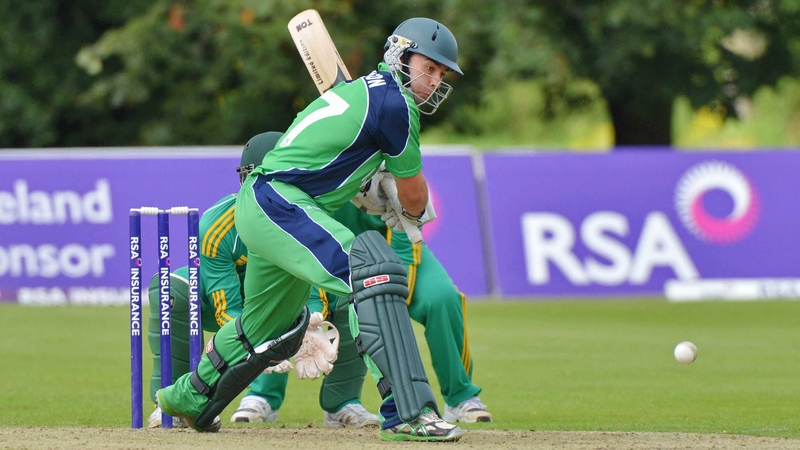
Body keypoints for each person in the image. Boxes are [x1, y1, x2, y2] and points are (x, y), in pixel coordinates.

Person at [156, 17, 466, 442]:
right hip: (281, 203)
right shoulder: (396, 105)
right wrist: (399, 198)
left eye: (441, 74)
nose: (433, 81)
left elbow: (329, 164)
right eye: (428, 67)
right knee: (372, 273)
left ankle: (186, 398)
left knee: (263, 327)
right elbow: (414, 200)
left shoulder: (361, 93)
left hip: (266, 205)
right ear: (399, 54)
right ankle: (408, 412)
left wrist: (368, 183)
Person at [145, 132, 379, 429]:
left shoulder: (309, 215)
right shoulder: (218, 225)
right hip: (224, 304)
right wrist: (256, 347)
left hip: (282, 301)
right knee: (170, 290)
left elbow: (315, 284)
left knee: (355, 291)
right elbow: (225, 307)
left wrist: (309, 327)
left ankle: (342, 403)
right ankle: (174, 405)